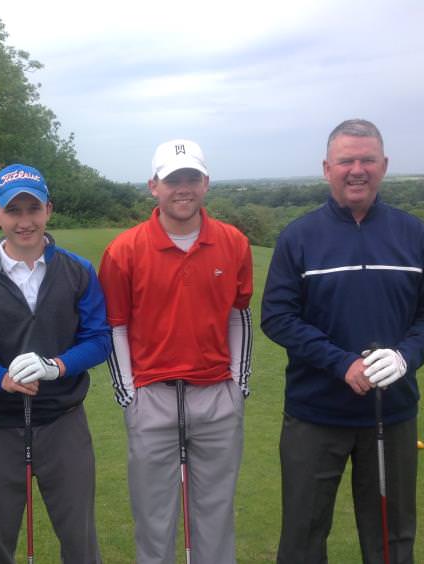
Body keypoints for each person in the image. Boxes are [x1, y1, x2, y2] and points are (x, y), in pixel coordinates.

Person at [261, 119, 424, 564]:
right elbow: (277, 317)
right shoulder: (299, 236)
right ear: (326, 167)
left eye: (367, 159)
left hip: (393, 412)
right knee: (303, 537)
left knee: (391, 538)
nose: (357, 169)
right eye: (346, 160)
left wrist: (406, 356)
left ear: (384, 166)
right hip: (315, 415)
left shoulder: (414, 233)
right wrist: (339, 363)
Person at [98, 139, 254, 563]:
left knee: (216, 514)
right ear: (154, 186)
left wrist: (238, 384)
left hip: (216, 395)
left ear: (205, 183)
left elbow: (238, 316)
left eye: (191, 178)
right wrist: (128, 394)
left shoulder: (233, 243)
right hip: (152, 396)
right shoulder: (124, 250)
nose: (182, 188)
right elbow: (115, 326)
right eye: (172, 180)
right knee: (153, 519)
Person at [0, 163, 111, 564]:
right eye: (13, 211)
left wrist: (56, 365)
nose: (24, 221)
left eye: (33, 209)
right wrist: (0, 378)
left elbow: (99, 339)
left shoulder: (78, 272)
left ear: (48, 209)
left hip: (64, 422)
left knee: (79, 541)